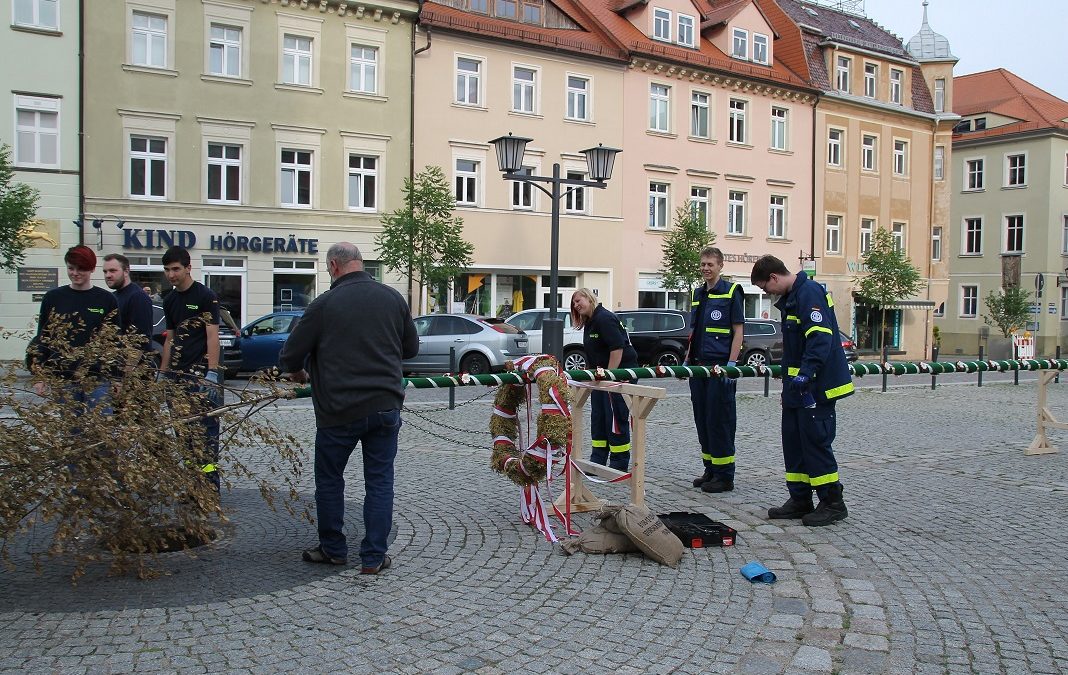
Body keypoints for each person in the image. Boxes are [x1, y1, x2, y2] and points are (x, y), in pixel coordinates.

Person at [279, 242, 417, 574]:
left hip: (338, 410)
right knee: (380, 481)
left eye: (328, 269)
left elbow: (288, 358)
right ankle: (372, 558)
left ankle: (333, 549)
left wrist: (301, 373)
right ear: (359, 263)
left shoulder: (323, 304)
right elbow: (410, 348)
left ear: (334, 266)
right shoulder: (392, 298)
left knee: (329, 480)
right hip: (385, 406)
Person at [750, 255, 854, 526]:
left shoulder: (808, 293)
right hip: (798, 390)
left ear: (774, 277)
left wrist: (806, 373)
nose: (767, 294)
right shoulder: (794, 297)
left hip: (815, 389)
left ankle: (833, 502)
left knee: (815, 444)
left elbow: (820, 337)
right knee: (794, 444)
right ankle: (800, 499)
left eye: (765, 288)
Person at [159, 246, 223, 490]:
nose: (171, 275)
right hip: (177, 378)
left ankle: (209, 489)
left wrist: (212, 372)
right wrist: (163, 374)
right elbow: (170, 339)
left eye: (176, 269)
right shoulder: (170, 300)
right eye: (167, 270)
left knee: (206, 435)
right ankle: (192, 486)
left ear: (188, 268)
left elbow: (212, 337)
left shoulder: (205, 296)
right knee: (183, 435)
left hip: (200, 376)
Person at [26, 246, 119, 405]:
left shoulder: (106, 299)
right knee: (72, 430)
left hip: (97, 378)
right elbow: (44, 337)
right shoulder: (53, 298)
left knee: (101, 427)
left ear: (91, 269)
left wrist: (117, 377)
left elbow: (114, 341)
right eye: (71, 268)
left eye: (81, 269)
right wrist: (40, 375)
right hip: (64, 377)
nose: (75, 273)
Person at [687, 246, 745, 493]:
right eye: (703, 264)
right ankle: (710, 468)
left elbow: (738, 331)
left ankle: (724, 475)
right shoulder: (698, 293)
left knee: (720, 420)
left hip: (720, 367)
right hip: (699, 367)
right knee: (703, 420)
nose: (706, 268)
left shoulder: (732, 291)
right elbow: (695, 331)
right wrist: (687, 360)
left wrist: (731, 365)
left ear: (721, 266)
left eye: (710, 264)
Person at [570, 288, 638, 471]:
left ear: (589, 298)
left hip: (619, 374)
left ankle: (619, 462)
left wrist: (609, 376)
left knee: (615, 418)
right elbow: (595, 352)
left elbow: (617, 349)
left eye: (579, 300)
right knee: (599, 416)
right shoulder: (590, 322)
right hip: (600, 377)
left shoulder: (604, 318)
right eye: (574, 303)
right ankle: (597, 459)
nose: (576, 305)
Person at [103, 253, 153, 349]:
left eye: (112, 271)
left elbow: (141, 339)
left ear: (126, 271)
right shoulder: (113, 297)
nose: (108, 275)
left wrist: (130, 364)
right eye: (105, 271)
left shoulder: (138, 297)